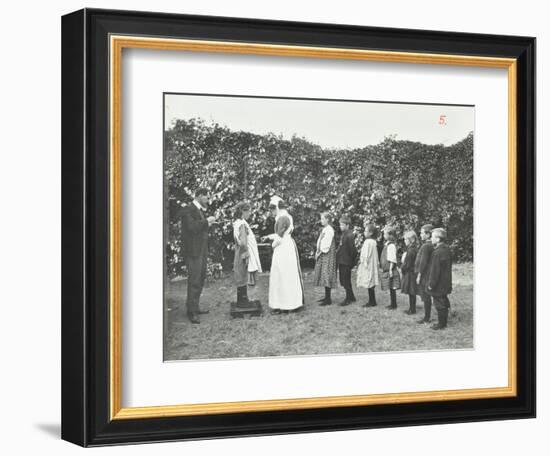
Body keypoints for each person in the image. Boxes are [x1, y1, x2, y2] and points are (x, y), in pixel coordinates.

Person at [180, 188, 216, 324]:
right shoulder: (188, 210)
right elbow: (192, 227)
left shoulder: (199, 210)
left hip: (201, 249)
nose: (208, 200)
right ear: (200, 196)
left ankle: (195, 306)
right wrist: (207, 221)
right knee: (194, 279)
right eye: (207, 197)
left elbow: (199, 228)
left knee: (200, 278)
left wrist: (208, 223)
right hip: (193, 251)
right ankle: (191, 311)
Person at [263, 196, 304, 313]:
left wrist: (272, 245)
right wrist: (269, 236)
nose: (271, 212)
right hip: (288, 246)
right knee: (288, 274)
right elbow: (282, 233)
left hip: (283, 248)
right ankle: (291, 303)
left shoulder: (282, 218)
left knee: (281, 274)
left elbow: (280, 238)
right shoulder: (287, 216)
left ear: (277, 208)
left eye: (272, 209)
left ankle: (285, 304)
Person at [427, 228, 453, 330]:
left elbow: (435, 270)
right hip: (446, 280)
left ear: (438, 239)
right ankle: (444, 321)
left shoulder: (437, 252)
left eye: (432, 237)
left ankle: (441, 324)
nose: (431, 238)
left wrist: (431, 284)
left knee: (439, 302)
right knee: (443, 300)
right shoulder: (447, 249)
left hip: (439, 282)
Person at [313, 212, 338, 306]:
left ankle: (328, 299)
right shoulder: (325, 229)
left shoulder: (330, 230)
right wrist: (317, 251)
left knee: (326, 274)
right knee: (323, 275)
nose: (321, 221)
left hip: (327, 254)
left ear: (328, 219)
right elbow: (320, 240)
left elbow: (326, 245)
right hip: (323, 254)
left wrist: (319, 252)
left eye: (323, 219)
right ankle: (326, 297)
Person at [232, 202, 253, 308]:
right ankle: (243, 301)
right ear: (242, 212)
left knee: (240, 273)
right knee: (242, 274)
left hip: (238, 251)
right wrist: (247, 253)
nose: (250, 213)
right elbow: (244, 242)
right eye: (248, 211)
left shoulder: (236, 222)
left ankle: (241, 299)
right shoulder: (242, 225)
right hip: (242, 251)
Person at [336, 214, 358, 306]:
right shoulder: (344, 234)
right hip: (342, 261)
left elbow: (353, 250)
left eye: (342, 225)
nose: (340, 226)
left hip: (346, 262)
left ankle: (348, 299)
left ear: (347, 225)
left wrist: (352, 262)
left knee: (346, 281)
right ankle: (351, 297)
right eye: (340, 224)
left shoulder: (350, 235)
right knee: (343, 280)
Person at [357, 223, 380, 307]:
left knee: (369, 281)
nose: (364, 232)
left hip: (368, 264)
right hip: (372, 264)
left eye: (366, 231)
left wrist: (363, 262)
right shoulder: (374, 242)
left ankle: (372, 301)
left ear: (371, 233)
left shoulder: (368, 242)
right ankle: (372, 300)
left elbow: (366, 254)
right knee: (371, 282)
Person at [415, 224, 434, 324]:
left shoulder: (426, 246)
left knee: (426, 296)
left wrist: (419, 274)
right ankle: (427, 316)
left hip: (425, 274)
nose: (420, 235)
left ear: (428, 234)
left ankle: (427, 317)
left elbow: (423, 262)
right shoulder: (431, 244)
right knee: (427, 296)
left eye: (422, 233)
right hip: (429, 273)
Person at [380, 226, 401, 309]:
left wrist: (390, 270)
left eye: (385, 234)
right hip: (388, 269)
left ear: (390, 235)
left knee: (392, 287)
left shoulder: (391, 246)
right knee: (390, 286)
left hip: (390, 269)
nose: (384, 235)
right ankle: (392, 303)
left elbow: (392, 259)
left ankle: (393, 304)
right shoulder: (387, 244)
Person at [400, 230, 419, 315]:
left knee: (411, 291)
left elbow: (407, 263)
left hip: (410, 273)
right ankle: (412, 308)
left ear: (411, 239)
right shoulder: (413, 248)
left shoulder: (411, 250)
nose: (404, 241)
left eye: (406, 239)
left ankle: (412, 309)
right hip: (412, 272)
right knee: (412, 292)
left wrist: (402, 268)